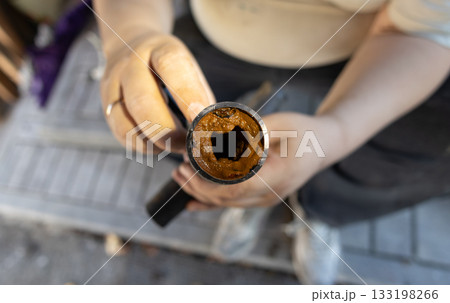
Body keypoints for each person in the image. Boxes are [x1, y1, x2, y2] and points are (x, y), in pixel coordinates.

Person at [94, 0, 450, 284]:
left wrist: (337, 131)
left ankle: (319, 211)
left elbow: (426, 27)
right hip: (216, 37)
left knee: (397, 151)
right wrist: (132, 34)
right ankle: (249, 198)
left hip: (369, 52)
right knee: (168, 124)